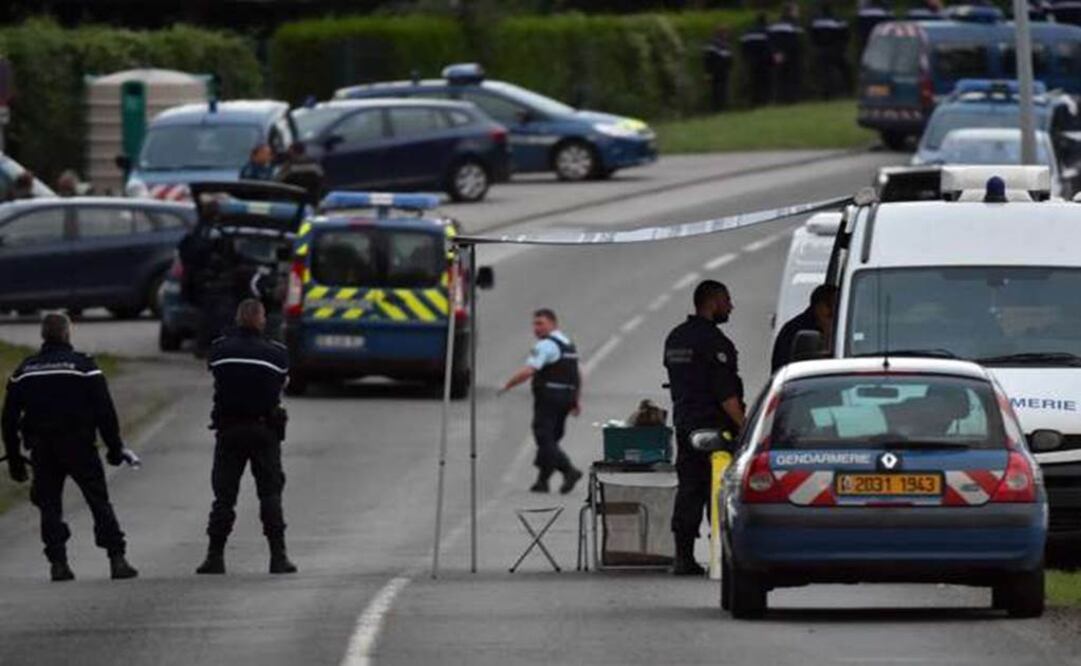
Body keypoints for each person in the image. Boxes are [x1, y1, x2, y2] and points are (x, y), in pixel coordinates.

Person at [1, 313, 139, 582]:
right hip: (80, 446)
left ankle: (58, 563)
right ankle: (117, 559)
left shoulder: (24, 370)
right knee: (98, 502)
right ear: (67, 334)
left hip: (43, 449)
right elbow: (105, 411)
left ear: (43, 336)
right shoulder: (84, 367)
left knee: (49, 506)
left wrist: (15, 458)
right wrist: (114, 448)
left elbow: (8, 419)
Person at [196, 299, 296, 575]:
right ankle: (278, 557)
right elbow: (283, 383)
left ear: (238, 319)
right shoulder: (277, 354)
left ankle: (214, 556)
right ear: (261, 320)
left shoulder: (220, 349)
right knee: (270, 494)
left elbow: (214, 372)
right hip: (265, 430)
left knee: (224, 496)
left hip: (229, 431)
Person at [663, 281, 744, 576]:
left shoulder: (675, 338)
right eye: (727, 300)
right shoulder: (714, 342)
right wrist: (744, 426)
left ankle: (682, 556)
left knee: (689, 489)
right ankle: (721, 556)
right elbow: (725, 393)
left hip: (685, 425)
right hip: (714, 428)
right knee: (721, 490)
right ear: (712, 303)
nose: (731, 307)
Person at [499, 309, 583, 495]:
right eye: (535, 324)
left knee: (544, 437)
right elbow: (576, 374)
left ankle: (569, 471)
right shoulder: (568, 344)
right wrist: (576, 399)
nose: (536, 328)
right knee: (551, 440)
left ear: (553, 324)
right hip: (566, 397)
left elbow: (530, 370)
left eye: (540, 323)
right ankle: (542, 481)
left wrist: (508, 384)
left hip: (550, 397)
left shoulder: (546, 345)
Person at [771, 284, 838, 373]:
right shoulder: (794, 330)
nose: (835, 312)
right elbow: (782, 369)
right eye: (831, 306)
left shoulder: (840, 326)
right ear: (819, 306)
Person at [809, 3, 852, 99]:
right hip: (837, 49)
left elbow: (812, 36)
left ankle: (826, 95)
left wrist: (816, 46)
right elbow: (846, 35)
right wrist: (843, 47)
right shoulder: (838, 19)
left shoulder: (816, 20)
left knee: (824, 73)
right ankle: (848, 91)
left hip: (821, 49)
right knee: (845, 70)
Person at [768, 3, 804, 104]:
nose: (798, 13)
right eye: (796, 11)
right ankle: (790, 99)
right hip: (792, 55)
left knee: (780, 78)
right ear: (790, 12)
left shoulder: (775, 25)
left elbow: (771, 41)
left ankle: (781, 99)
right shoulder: (794, 25)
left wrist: (775, 53)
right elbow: (797, 42)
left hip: (780, 55)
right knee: (790, 77)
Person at [277, 142, 325, 206]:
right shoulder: (314, 164)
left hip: (291, 203)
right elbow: (322, 179)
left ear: (292, 151)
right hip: (312, 202)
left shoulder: (290, 165)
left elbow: (278, 182)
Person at [740, 14, 773, 106]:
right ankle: (765, 101)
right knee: (765, 81)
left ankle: (754, 101)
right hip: (764, 60)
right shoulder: (766, 31)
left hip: (751, 60)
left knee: (754, 81)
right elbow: (770, 46)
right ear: (765, 21)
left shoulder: (747, 32)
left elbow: (743, 46)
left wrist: (746, 57)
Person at [702, 27, 734, 112]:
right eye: (726, 33)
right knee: (718, 91)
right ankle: (718, 109)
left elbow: (729, 60)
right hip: (718, 72)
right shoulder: (716, 45)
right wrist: (707, 73)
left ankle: (720, 108)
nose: (727, 35)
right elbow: (708, 60)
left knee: (719, 91)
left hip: (721, 72)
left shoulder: (725, 45)